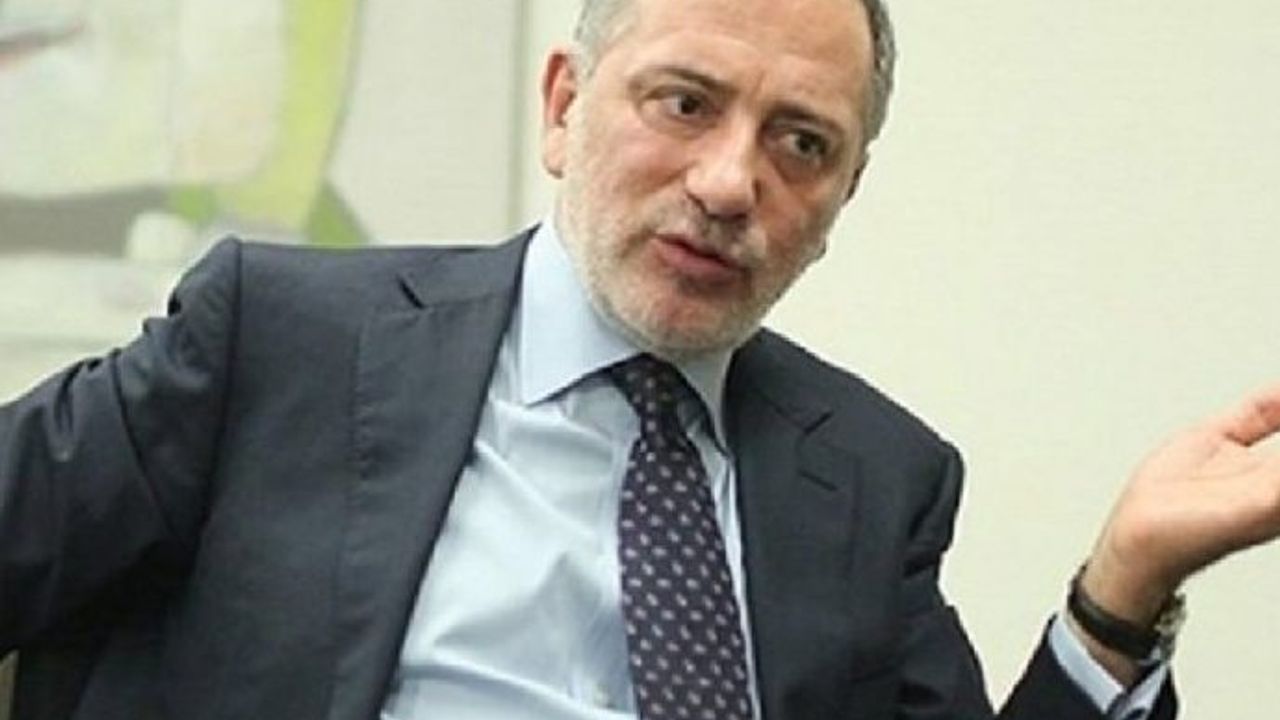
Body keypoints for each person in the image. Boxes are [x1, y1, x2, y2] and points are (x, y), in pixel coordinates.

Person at [3, 0, 1280, 718]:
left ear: (841, 196)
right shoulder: (282, 342)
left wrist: (1119, 592)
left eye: (799, 143)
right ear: (565, 107)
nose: (728, 183)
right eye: (684, 103)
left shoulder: (872, 479)